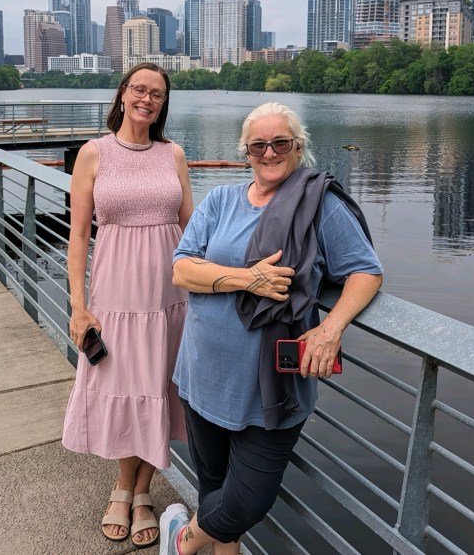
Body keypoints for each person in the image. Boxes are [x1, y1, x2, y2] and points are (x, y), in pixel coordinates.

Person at [158, 102, 383, 555]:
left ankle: (181, 540)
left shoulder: (322, 205)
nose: (270, 152)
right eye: (258, 144)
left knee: (246, 501)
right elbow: (182, 269)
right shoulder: (221, 200)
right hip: (203, 374)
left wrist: (333, 326)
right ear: (246, 152)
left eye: (281, 142)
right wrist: (249, 279)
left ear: (298, 148)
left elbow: (366, 272)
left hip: (272, 386)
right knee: (213, 489)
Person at [62, 62, 194, 549]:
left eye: (157, 94)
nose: (147, 99)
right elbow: (78, 238)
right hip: (116, 296)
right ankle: (124, 485)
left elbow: (191, 230)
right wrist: (79, 305)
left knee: (158, 387)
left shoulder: (172, 154)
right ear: (122, 94)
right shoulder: (93, 154)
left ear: (163, 104)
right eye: (139, 89)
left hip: (169, 297)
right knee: (127, 386)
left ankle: (142, 491)